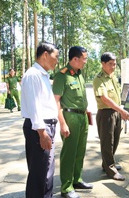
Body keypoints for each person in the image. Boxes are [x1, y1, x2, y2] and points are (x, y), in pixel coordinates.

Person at [21, 42, 59, 198]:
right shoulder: (33, 75)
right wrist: (42, 133)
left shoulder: (42, 75)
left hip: (46, 126)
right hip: (40, 128)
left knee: (47, 171)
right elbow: (34, 106)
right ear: (45, 54)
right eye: (55, 56)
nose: (57, 60)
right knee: (39, 173)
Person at [52, 46, 92, 198]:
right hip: (70, 117)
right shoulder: (62, 76)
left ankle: (77, 179)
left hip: (82, 117)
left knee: (80, 150)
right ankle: (66, 187)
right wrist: (62, 123)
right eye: (84, 59)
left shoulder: (80, 74)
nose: (85, 61)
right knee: (69, 152)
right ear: (75, 59)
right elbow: (55, 101)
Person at [93, 52, 129, 181]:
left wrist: (120, 110)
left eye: (115, 64)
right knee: (107, 142)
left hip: (116, 112)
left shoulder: (113, 77)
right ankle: (110, 170)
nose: (113, 66)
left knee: (115, 139)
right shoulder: (99, 79)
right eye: (110, 64)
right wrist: (121, 110)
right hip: (106, 114)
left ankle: (108, 163)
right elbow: (105, 98)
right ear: (103, 64)